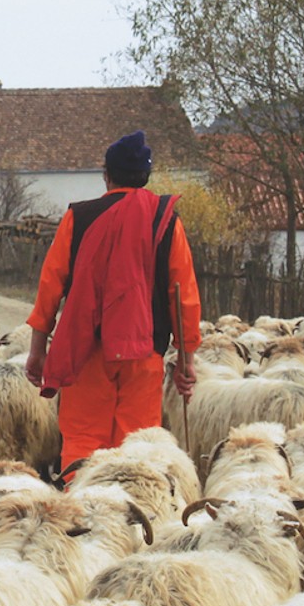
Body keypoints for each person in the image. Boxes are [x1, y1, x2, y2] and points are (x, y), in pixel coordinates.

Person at [23, 130, 200, 478]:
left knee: (84, 443)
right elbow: (183, 296)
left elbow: (50, 287)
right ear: (146, 176)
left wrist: (38, 349)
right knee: (137, 449)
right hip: (144, 354)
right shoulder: (166, 221)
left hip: (86, 353)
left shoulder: (79, 217)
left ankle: (83, 518)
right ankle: (130, 522)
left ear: (107, 175)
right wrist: (186, 360)